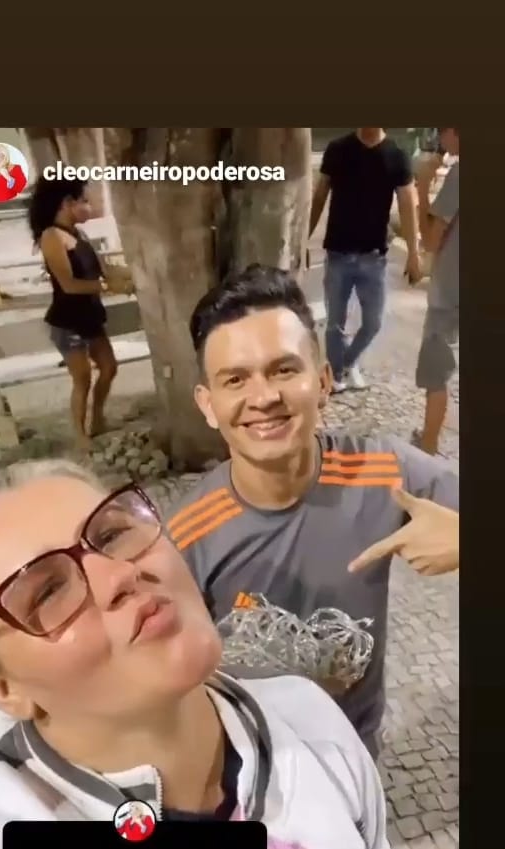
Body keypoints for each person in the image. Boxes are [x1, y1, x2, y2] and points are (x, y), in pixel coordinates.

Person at [0, 459, 389, 849]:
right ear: (3, 688)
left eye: (112, 534)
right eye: (48, 592)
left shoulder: (310, 722)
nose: (120, 574)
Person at [165, 265, 459, 761]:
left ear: (322, 381)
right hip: (250, 766)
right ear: (208, 404)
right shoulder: (183, 540)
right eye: (235, 379)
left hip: (356, 754)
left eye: (284, 370)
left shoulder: (382, 471)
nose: (264, 398)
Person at [309, 127, 422, 392]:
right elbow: (319, 196)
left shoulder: (396, 156)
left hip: (373, 256)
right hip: (338, 252)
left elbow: (407, 205)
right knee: (335, 323)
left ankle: (347, 363)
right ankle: (336, 375)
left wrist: (414, 253)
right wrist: (304, 239)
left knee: (373, 323)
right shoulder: (338, 150)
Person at [28, 176, 117, 454]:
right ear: (67, 203)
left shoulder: (79, 234)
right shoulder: (51, 236)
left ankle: (98, 419)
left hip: (90, 315)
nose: (88, 207)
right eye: (84, 201)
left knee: (109, 368)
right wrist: (109, 287)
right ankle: (80, 435)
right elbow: (68, 285)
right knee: (82, 378)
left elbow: (105, 270)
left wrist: (131, 275)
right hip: (67, 320)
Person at [412, 129, 459, 455]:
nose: (440, 140)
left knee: (436, 370)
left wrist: (423, 186)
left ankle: (427, 446)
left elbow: (430, 239)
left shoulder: (459, 175)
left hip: (451, 293)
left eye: (443, 131)